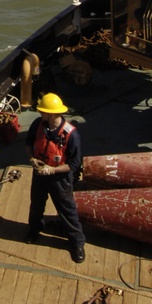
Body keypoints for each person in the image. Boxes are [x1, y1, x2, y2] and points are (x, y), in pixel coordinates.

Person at [26, 92, 86, 263]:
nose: (40, 114)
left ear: (51, 114)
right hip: (40, 174)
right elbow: (29, 144)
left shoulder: (71, 135)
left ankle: (77, 243)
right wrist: (31, 158)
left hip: (59, 179)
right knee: (36, 204)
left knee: (67, 209)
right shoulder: (38, 125)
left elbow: (74, 165)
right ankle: (34, 230)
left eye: (43, 111)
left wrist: (52, 170)